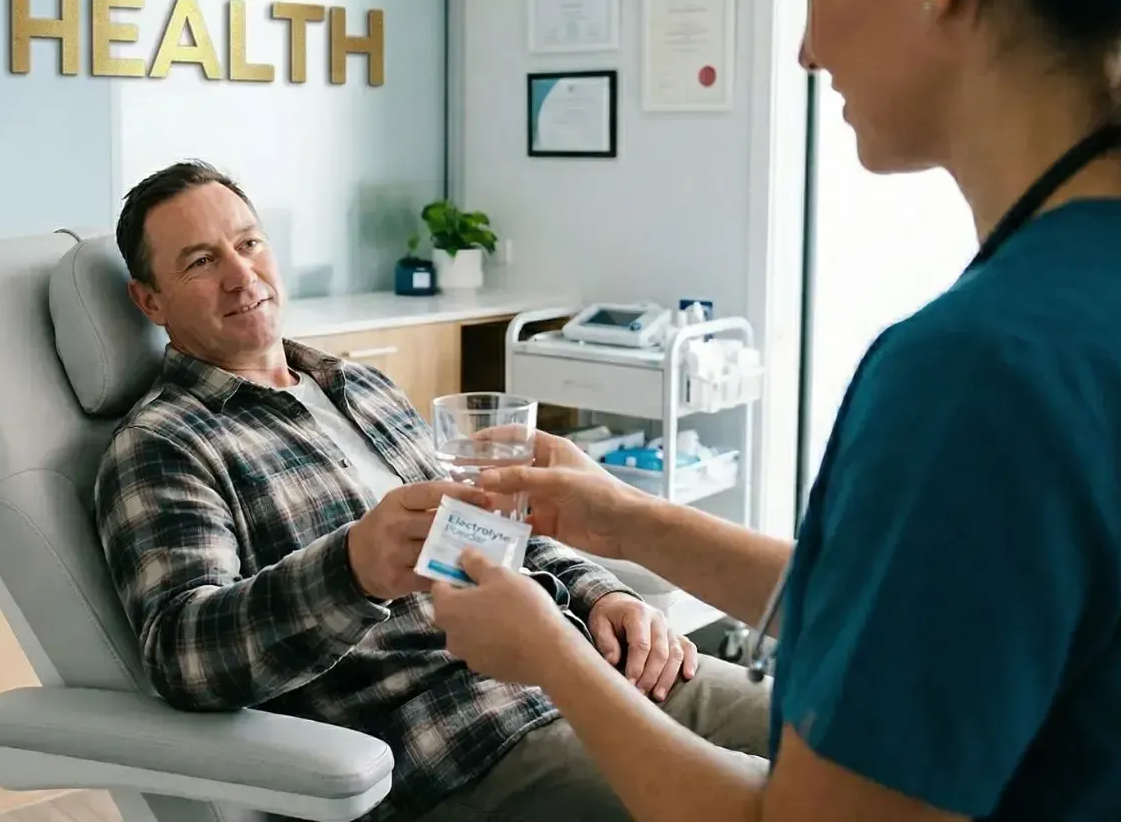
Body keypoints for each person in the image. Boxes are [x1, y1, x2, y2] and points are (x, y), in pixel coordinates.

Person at [426, 0, 1121, 820]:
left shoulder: (986, 369)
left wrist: (548, 652)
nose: (807, 50)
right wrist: (626, 518)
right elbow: (939, 617)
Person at [91, 160, 775, 822]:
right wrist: (353, 569)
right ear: (150, 300)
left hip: (582, 662)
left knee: (819, 735)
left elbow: (492, 529)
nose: (242, 276)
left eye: (248, 244)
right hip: (464, 742)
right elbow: (183, 655)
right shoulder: (163, 446)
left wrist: (605, 595)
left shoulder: (361, 386)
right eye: (201, 262)